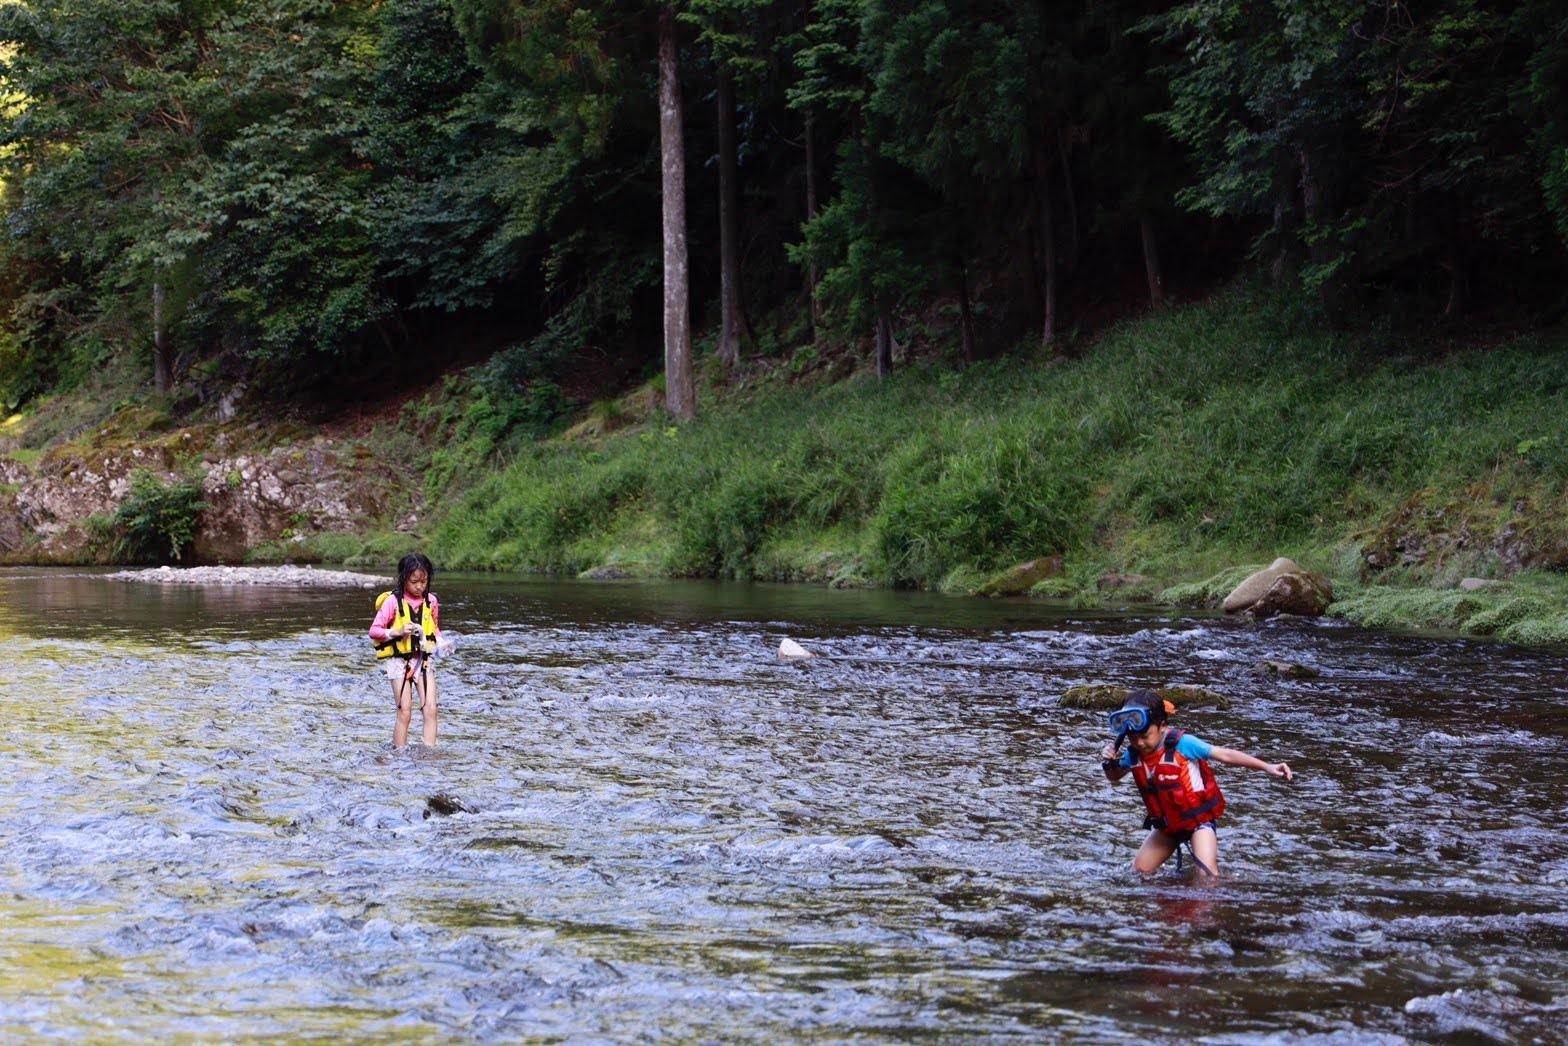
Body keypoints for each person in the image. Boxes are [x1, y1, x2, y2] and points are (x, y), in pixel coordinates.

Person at [1100, 689, 1293, 877]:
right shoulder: (1133, 755)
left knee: (1206, 875)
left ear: (1162, 726)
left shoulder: (1184, 744)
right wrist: (1110, 763)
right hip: (1167, 828)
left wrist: (1268, 766)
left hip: (1198, 823)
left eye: (1145, 736)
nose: (1140, 743)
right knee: (1138, 872)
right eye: (1133, 739)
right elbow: (1114, 778)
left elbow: (1225, 754)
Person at [369, 553, 443, 748]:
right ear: (404, 579)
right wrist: (397, 631)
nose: (419, 586)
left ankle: (429, 751)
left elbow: (434, 628)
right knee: (405, 710)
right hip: (398, 662)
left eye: (424, 581)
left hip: (424, 661)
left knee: (431, 709)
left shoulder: (431, 601)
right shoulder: (392, 602)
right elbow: (374, 631)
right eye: (414, 582)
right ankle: (399, 754)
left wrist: (442, 643)